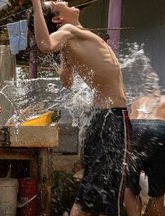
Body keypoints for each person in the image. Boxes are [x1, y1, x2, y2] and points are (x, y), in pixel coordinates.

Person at [29, 1, 130, 215]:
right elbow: (45, 45)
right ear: (57, 19)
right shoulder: (69, 29)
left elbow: (66, 80)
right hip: (111, 117)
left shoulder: (70, 37)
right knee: (107, 193)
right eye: (55, 3)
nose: (62, 0)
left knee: (92, 193)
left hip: (101, 117)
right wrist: (37, 4)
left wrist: (66, 55)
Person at [125, 95, 165, 216]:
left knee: (129, 186)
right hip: (158, 129)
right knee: (157, 192)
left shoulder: (138, 100)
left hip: (133, 129)